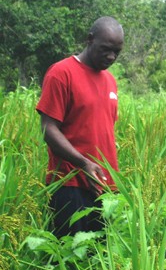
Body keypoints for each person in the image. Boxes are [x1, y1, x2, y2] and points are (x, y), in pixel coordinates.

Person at [36, 16, 124, 238]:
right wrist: (83, 163)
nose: (111, 56)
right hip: (70, 183)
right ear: (89, 39)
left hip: (105, 187)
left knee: (101, 262)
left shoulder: (111, 80)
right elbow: (48, 128)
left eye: (117, 51)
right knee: (71, 259)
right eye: (105, 49)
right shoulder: (61, 73)